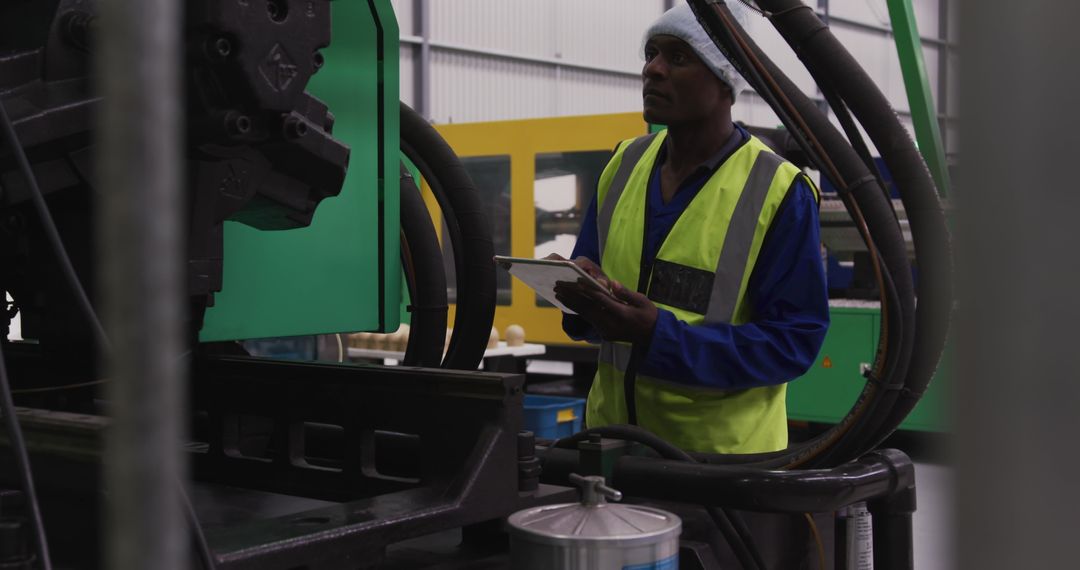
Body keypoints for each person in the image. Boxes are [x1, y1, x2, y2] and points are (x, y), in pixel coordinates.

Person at [553, 3, 828, 454]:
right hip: (613, 448)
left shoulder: (778, 190)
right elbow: (593, 303)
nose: (653, 70)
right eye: (651, 53)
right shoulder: (623, 165)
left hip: (721, 467)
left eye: (678, 58)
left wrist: (657, 334)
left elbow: (792, 343)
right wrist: (581, 298)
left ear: (726, 80)